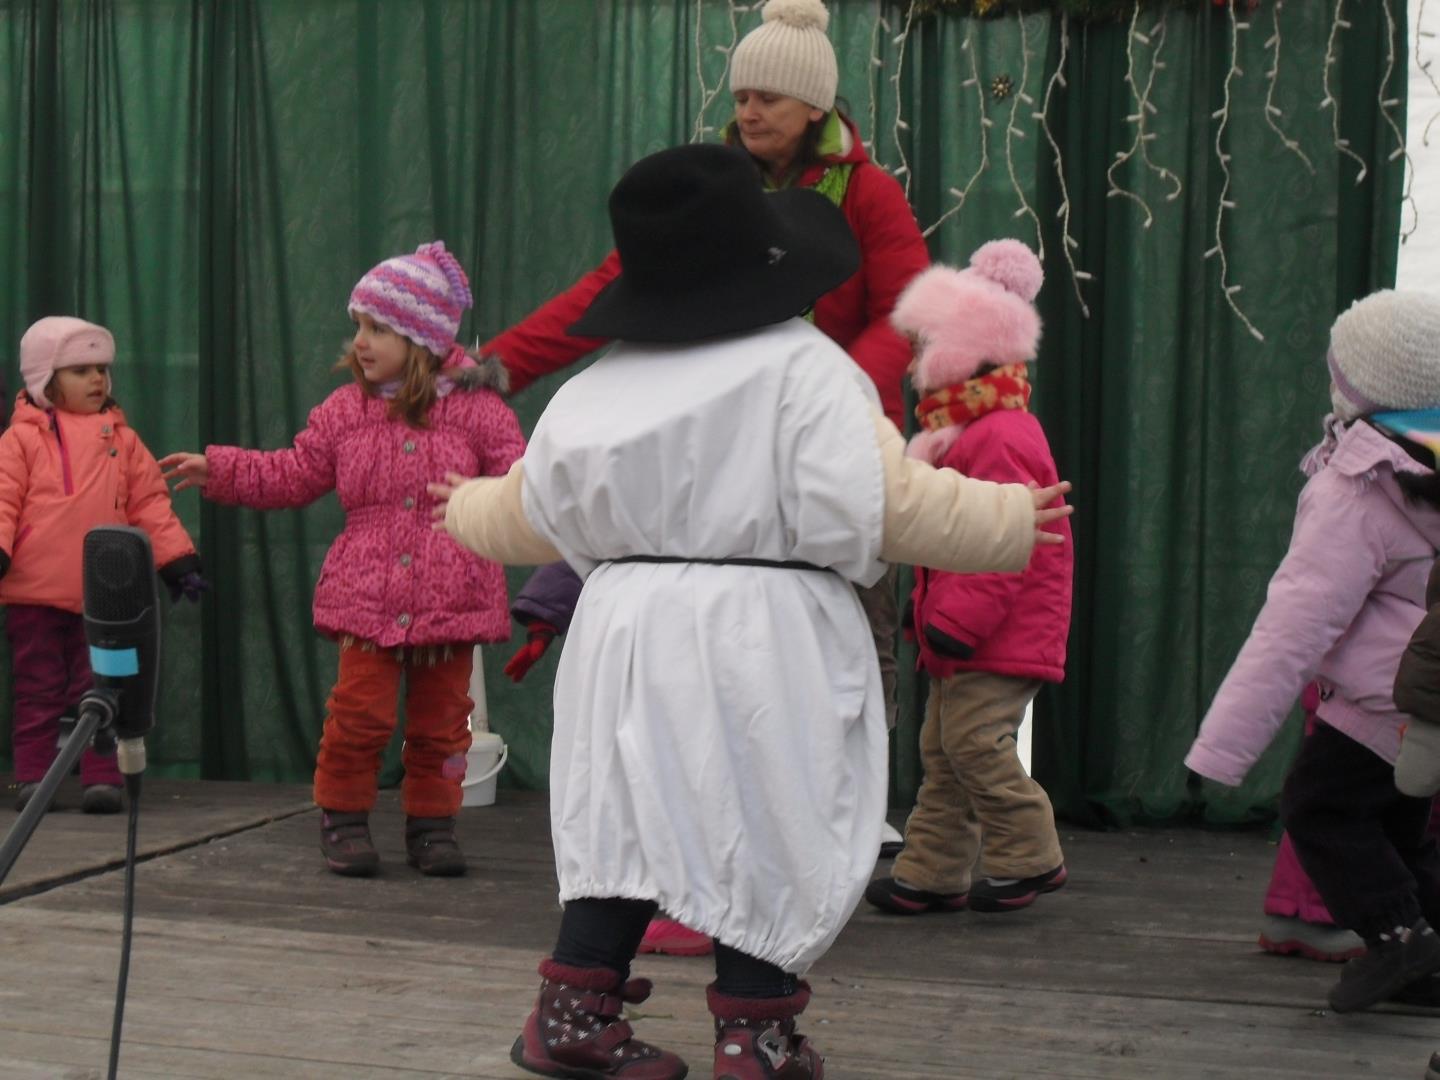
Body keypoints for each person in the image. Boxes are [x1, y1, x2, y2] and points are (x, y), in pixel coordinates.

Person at [433, 142, 1072, 1080]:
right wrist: (1007, 518)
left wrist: (462, 508)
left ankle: (569, 1015)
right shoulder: (805, 372)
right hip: (761, 635)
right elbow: (885, 503)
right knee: (768, 820)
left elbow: (530, 511)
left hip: (626, 638)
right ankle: (755, 1036)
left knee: (623, 821)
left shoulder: (596, 388)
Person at [488, 0, 930, 953]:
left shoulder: (866, 194)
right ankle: (691, 877)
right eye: (742, 94)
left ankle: (833, 828)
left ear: (814, 106)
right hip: (716, 455)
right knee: (694, 696)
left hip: (820, 457)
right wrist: (504, 362)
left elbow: (906, 310)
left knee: (847, 649)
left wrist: (841, 396)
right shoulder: (710, 192)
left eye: (769, 95)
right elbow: (607, 289)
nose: (750, 109)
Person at [160, 242, 524, 878]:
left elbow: (520, 484)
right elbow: (294, 472)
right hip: (366, 594)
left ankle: (434, 825)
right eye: (358, 325)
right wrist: (222, 469)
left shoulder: (480, 412)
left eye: (377, 328)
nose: (360, 341)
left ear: (422, 339)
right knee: (360, 716)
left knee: (445, 727)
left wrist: (490, 501)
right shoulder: (344, 411)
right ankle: (344, 816)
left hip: (455, 597)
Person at [1185, 289, 1440, 1014]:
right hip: (1426, 695)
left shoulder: (1355, 488)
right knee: (1401, 832)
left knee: (1319, 808)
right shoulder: (1426, 464)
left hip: (1381, 700)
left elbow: (1294, 626)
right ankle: (1426, 963)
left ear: (1353, 386)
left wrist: (1222, 748)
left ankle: (1398, 941)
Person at [863, 242, 1073, 917]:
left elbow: (1002, 546)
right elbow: (949, 541)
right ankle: (932, 871)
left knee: (973, 744)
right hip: (968, 631)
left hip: (997, 634)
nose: (915, 366)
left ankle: (1030, 853)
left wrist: (953, 622)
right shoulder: (964, 432)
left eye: (927, 349)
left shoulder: (1001, 436)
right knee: (943, 750)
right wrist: (928, 611)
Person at [1, 316, 202, 814]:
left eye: (101, 370)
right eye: (81, 370)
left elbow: (150, 505)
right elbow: (3, 500)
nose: (97, 379)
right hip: (35, 597)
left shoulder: (124, 440)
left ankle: (103, 778)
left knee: (107, 688)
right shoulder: (18, 441)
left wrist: (178, 562)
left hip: (108, 601)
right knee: (38, 689)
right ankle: (33, 779)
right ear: (45, 380)